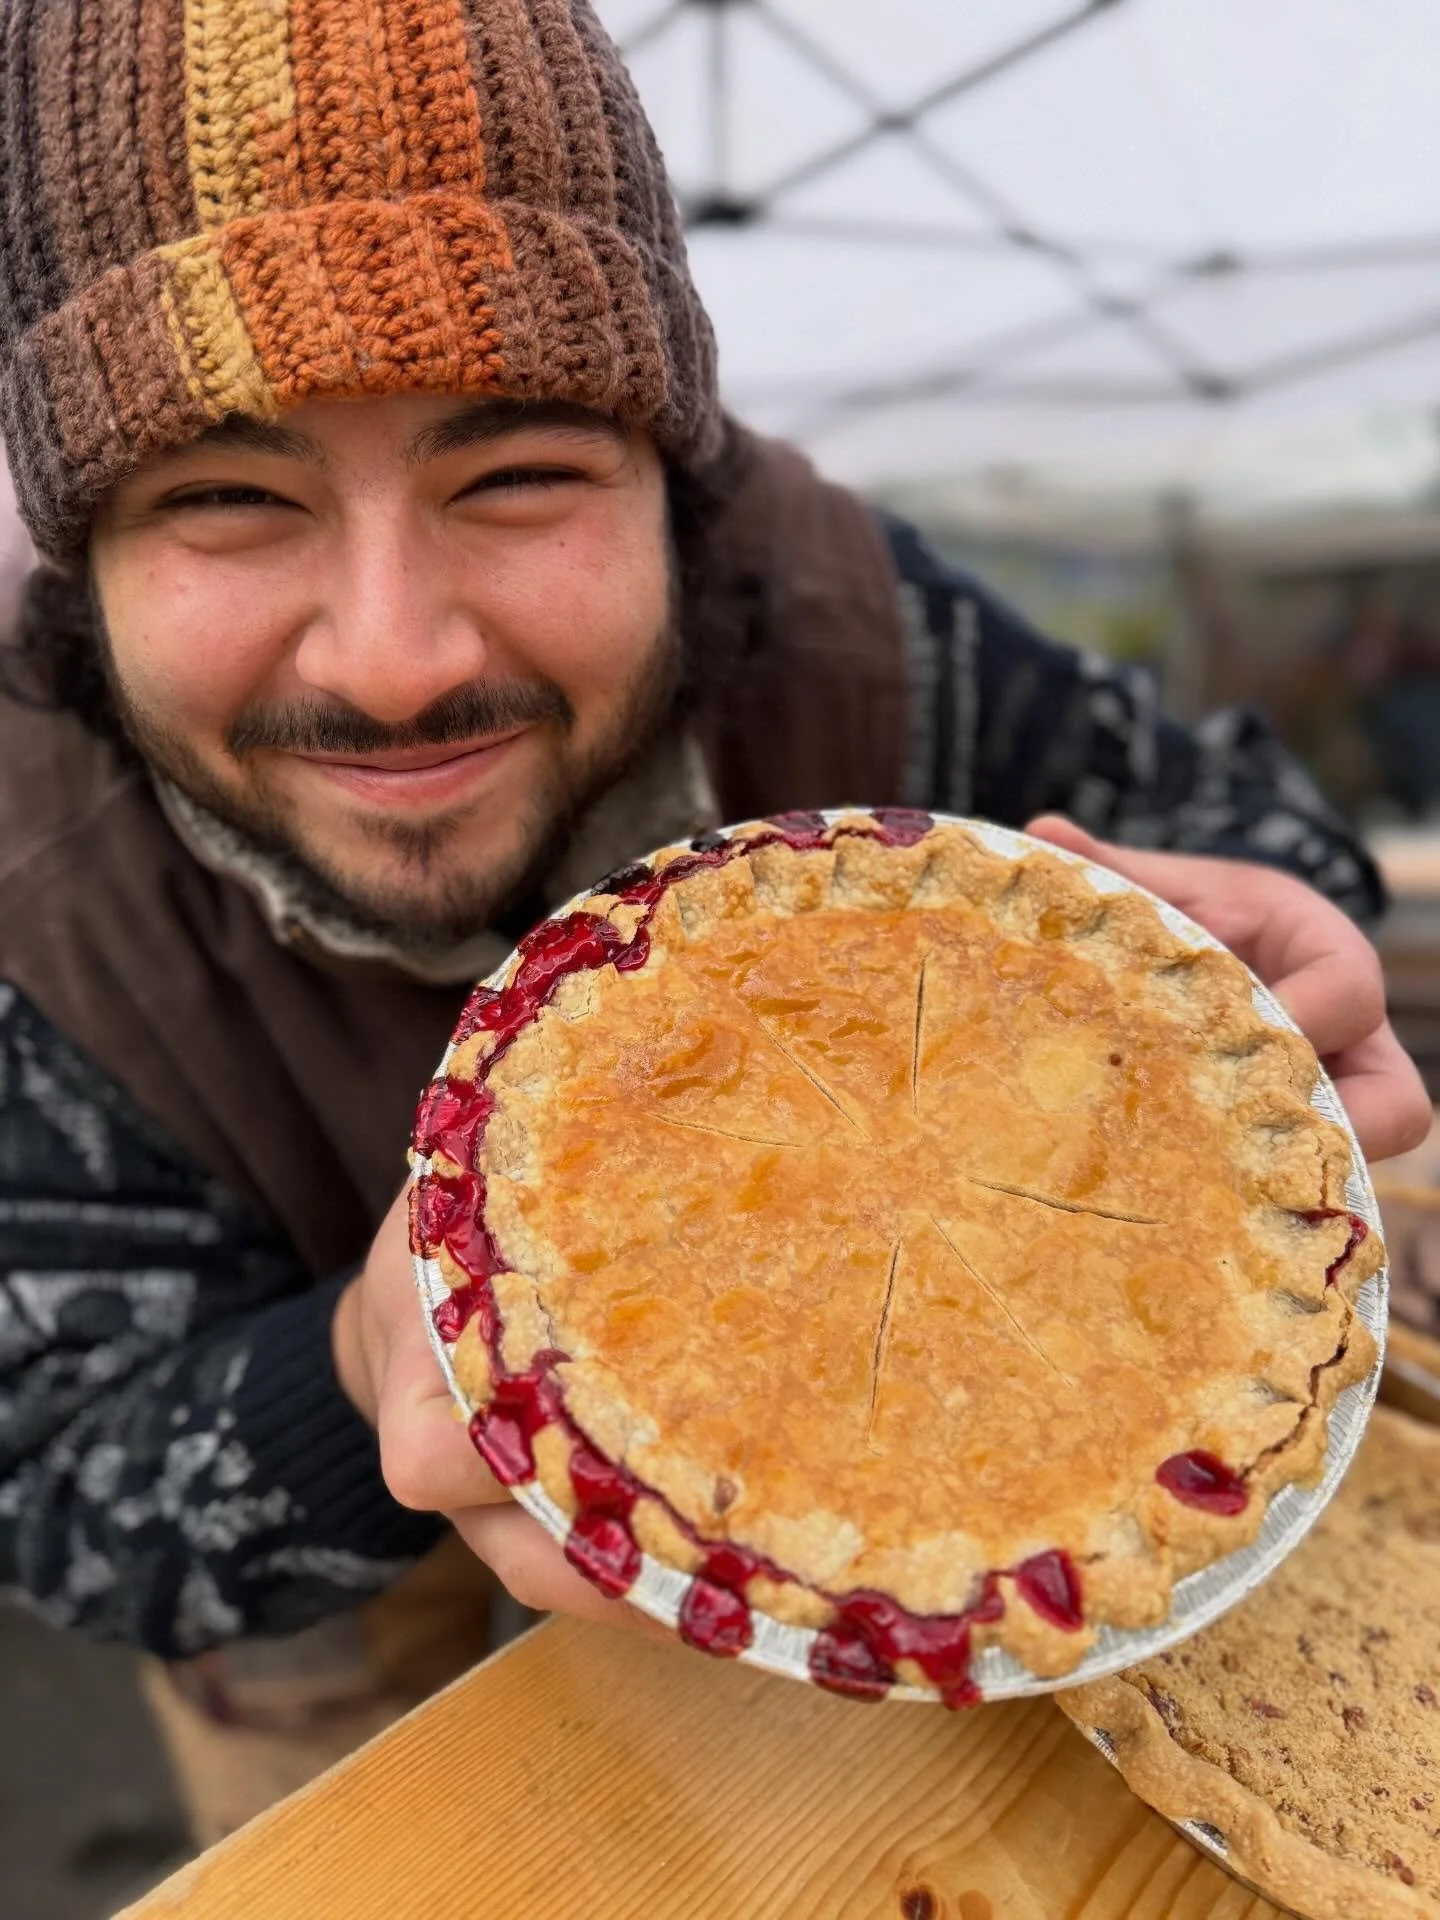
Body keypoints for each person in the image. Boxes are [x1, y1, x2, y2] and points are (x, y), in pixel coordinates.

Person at [0, 0, 1427, 1846]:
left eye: (514, 478)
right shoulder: (35, 912)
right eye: (225, 501)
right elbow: (52, 1489)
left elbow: (1219, 815)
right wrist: (350, 1379)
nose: (399, 652)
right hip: (351, 1677)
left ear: (680, 484)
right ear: (80, 560)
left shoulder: (866, 630)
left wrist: (1262, 929)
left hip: (971, 1612)